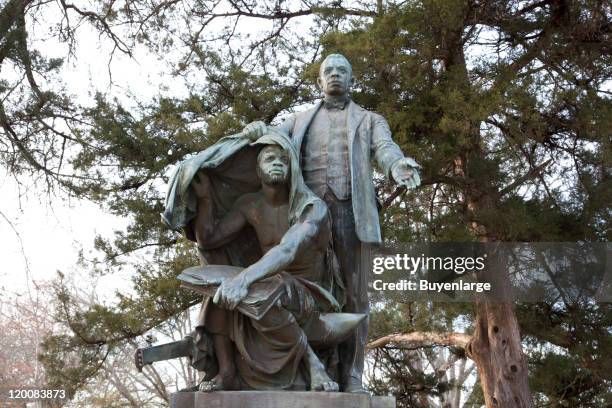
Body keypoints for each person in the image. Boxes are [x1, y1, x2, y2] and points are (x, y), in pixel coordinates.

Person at [241, 54, 421, 393]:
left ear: (351, 79)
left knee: (354, 297)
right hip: (305, 217)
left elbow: (386, 149)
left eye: (342, 70)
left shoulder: (369, 120)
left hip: (350, 215)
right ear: (320, 81)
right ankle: (309, 371)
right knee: (304, 291)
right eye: (329, 71)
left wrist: (397, 166)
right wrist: (255, 131)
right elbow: (266, 142)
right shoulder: (298, 121)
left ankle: (352, 375)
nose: (335, 74)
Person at [186, 132, 345, 392]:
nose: (277, 163)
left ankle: (313, 363)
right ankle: (226, 371)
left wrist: (244, 279)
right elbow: (209, 240)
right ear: (257, 170)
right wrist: (205, 199)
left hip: (310, 293)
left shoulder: (311, 207)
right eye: (269, 158)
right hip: (269, 283)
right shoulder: (250, 205)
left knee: (272, 284)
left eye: (284, 159)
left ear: (292, 167)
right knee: (217, 285)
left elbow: (287, 250)